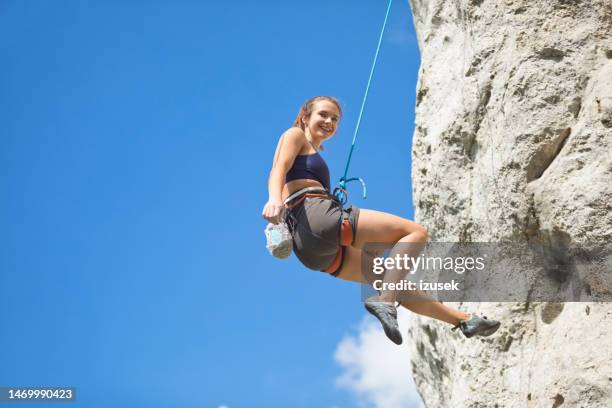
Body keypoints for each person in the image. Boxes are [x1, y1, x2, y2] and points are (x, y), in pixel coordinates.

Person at [262, 96, 500, 345]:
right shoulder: (294, 134)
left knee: (390, 278)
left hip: (312, 252)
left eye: (335, 119)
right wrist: (274, 199)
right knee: (415, 233)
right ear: (305, 116)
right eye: (323, 114)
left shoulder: (310, 151)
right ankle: (385, 302)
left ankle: (463, 321)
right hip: (314, 216)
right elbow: (279, 168)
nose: (329, 121)